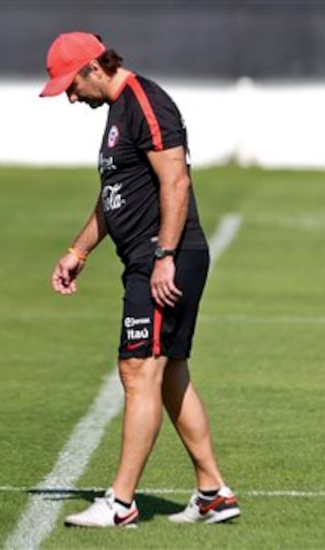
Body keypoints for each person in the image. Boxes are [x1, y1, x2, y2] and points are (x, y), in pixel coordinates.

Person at [40, 32, 240, 528]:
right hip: (150, 257)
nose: (68, 96)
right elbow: (116, 195)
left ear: (93, 67)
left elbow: (176, 180)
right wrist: (78, 250)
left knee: (136, 370)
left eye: (70, 84)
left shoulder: (145, 102)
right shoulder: (117, 110)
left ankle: (122, 503)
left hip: (162, 258)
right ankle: (213, 492)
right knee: (168, 373)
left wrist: (164, 256)